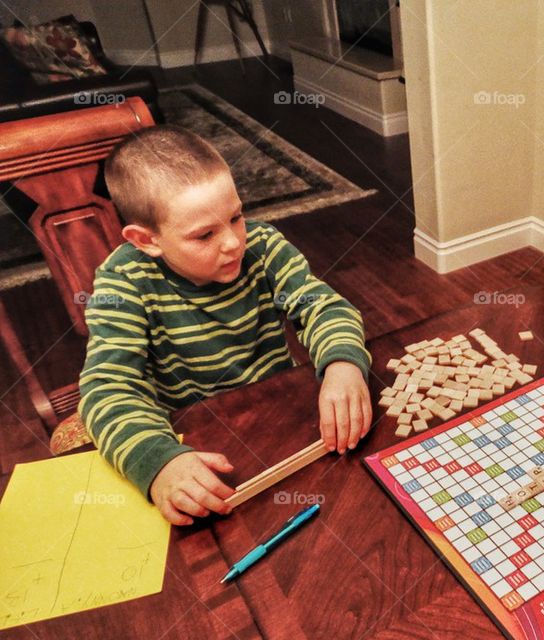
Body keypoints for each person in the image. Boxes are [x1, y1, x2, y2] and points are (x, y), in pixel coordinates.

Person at [79, 126, 372, 525]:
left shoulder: (263, 247)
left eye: (236, 217)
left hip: (287, 419)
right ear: (146, 241)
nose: (234, 242)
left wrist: (343, 365)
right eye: (204, 235)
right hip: (197, 449)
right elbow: (108, 389)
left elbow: (323, 306)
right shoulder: (122, 283)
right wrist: (158, 462)